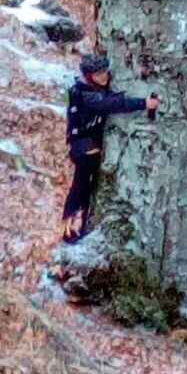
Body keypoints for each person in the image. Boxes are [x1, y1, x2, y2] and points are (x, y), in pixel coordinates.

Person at [62, 54, 159, 243]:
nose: (105, 76)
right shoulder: (85, 93)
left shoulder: (90, 89)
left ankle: (76, 228)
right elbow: (111, 103)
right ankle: (69, 230)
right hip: (84, 148)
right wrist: (143, 103)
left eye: (106, 71)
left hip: (89, 145)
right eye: (99, 74)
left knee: (87, 189)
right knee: (81, 188)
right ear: (90, 76)